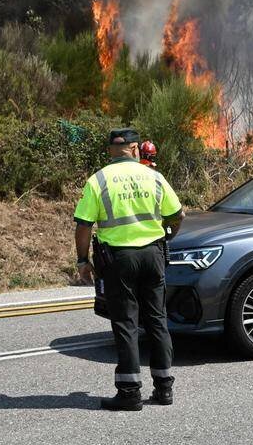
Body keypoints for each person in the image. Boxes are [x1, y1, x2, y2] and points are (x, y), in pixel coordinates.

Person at [74, 128, 184, 411]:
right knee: (157, 319)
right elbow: (177, 214)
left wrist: (82, 261)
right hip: (153, 254)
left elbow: (84, 224)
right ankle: (164, 389)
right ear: (135, 149)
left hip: (119, 259)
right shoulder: (154, 176)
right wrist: (166, 236)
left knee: (126, 322)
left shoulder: (98, 180)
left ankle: (130, 392)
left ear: (111, 150)